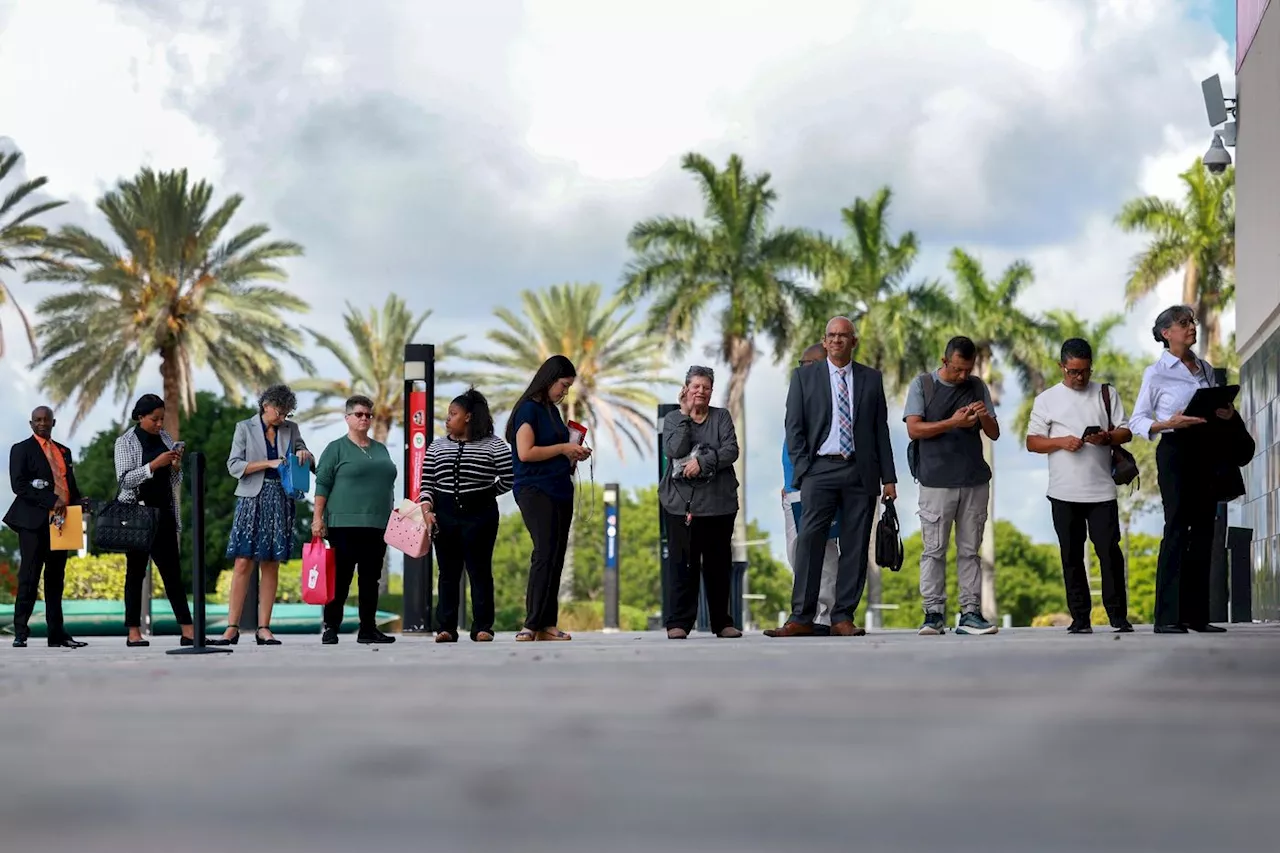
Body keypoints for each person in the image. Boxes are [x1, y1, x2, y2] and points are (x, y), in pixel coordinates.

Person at [767, 316, 897, 638]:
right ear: (824, 342)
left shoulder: (870, 379)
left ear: (853, 342)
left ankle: (842, 618)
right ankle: (800, 617)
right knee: (809, 542)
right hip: (819, 470)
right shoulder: (803, 377)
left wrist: (889, 478)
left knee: (854, 546)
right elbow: (793, 428)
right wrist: (803, 471)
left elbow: (880, 429)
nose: (837, 340)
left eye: (844, 335)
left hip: (860, 471)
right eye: (831, 335)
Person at [1130, 305, 1246, 633]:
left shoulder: (1205, 368)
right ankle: (1167, 618)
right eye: (1184, 323)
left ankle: (1197, 617)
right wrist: (1169, 423)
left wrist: (1225, 413)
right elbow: (1137, 420)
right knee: (1177, 529)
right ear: (1167, 333)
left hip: (1206, 453)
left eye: (1192, 322)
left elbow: (1213, 408)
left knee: (1205, 532)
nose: (1191, 327)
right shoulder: (1156, 372)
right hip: (1176, 451)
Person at [1026, 338, 1134, 634]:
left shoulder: (1106, 393)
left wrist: (1106, 438)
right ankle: (1080, 618)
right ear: (1061, 367)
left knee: (1109, 552)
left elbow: (1126, 431)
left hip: (1101, 491)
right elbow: (1032, 442)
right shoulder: (1047, 399)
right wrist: (1061, 442)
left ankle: (1117, 616)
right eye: (1073, 371)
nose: (1079, 377)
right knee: (1071, 555)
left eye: (1085, 371)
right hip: (1063, 492)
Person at [903, 336, 1001, 636]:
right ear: (944, 361)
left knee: (970, 551)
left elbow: (994, 433)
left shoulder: (977, 386)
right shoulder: (923, 385)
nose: (962, 376)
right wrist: (952, 423)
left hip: (974, 481)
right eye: (957, 369)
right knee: (934, 550)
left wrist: (984, 417)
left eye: (968, 370)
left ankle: (970, 613)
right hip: (935, 482)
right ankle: (933, 614)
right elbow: (914, 429)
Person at [507, 355, 591, 642]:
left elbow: (558, 449)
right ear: (549, 379)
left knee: (556, 556)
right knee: (543, 551)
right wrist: (563, 448)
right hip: (534, 489)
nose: (564, 392)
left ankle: (547, 623)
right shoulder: (528, 410)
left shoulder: (552, 412)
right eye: (563, 385)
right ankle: (530, 623)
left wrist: (573, 452)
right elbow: (525, 453)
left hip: (560, 487)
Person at [220, 384, 312, 646]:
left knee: (271, 562)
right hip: (251, 499)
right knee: (242, 562)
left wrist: (305, 454)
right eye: (279, 412)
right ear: (266, 406)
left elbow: (306, 456)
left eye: (287, 413)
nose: (283, 418)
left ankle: (264, 628)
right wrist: (268, 463)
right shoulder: (244, 428)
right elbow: (233, 465)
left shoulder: (291, 429)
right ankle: (231, 628)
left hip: (281, 499)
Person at [417, 389, 512, 643]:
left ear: (468, 417)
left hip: (481, 517)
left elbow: (511, 476)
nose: (447, 419)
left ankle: (483, 627)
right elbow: (426, 484)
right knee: (448, 573)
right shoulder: (437, 446)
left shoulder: (493, 445)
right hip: (444, 516)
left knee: (479, 571)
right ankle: (446, 627)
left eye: (453, 414)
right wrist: (427, 512)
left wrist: (488, 493)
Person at [659, 365, 743, 639]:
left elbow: (731, 450)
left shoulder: (721, 417)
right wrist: (684, 414)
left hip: (719, 505)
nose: (701, 392)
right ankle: (679, 623)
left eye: (706, 387)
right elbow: (674, 449)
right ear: (686, 389)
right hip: (681, 506)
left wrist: (703, 462)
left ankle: (722, 622)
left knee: (719, 566)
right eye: (695, 386)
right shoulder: (673, 419)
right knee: (683, 565)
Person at [312, 395, 398, 644]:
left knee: (371, 579)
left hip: (377, 524)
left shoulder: (380, 448)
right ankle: (330, 627)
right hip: (343, 524)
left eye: (368, 415)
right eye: (359, 414)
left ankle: (368, 629)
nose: (364, 419)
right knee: (341, 578)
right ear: (347, 418)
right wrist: (318, 519)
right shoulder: (336, 448)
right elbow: (322, 484)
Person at [114, 394, 198, 647]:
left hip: (164, 513)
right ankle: (133, 632)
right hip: (137, 513)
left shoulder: (165, 438)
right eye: (154, 419)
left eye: (162, 419)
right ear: (141, 417)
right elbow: (125, 480)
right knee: (135, 574)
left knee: (172, 574)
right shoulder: (125, 442)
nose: (159, 424)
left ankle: (189, 631)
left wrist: (174, 465)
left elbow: (175, 480)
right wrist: (153, 465)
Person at [4, 406, 88, 648]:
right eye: (37, 420)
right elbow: (19, 485)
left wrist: (79, 503)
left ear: (54, 422)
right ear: (31, 424)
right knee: (29, 577)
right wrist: (52, 500)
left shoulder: (64, 451)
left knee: (55, 579)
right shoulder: (21, 449)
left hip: (62, 523)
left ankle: (57, 634)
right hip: (33, 522)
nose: (42, 423)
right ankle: (20, 631)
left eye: (46, 420)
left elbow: (68, 484)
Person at [781, 344, 838, 635]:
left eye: (806, 363)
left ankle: (823, 616)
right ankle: (805, 611)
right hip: (793, 489)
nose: (802, 368)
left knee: (825, 552)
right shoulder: (800, 392)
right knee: (797, 553)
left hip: (817, 486)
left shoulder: (831, 396)